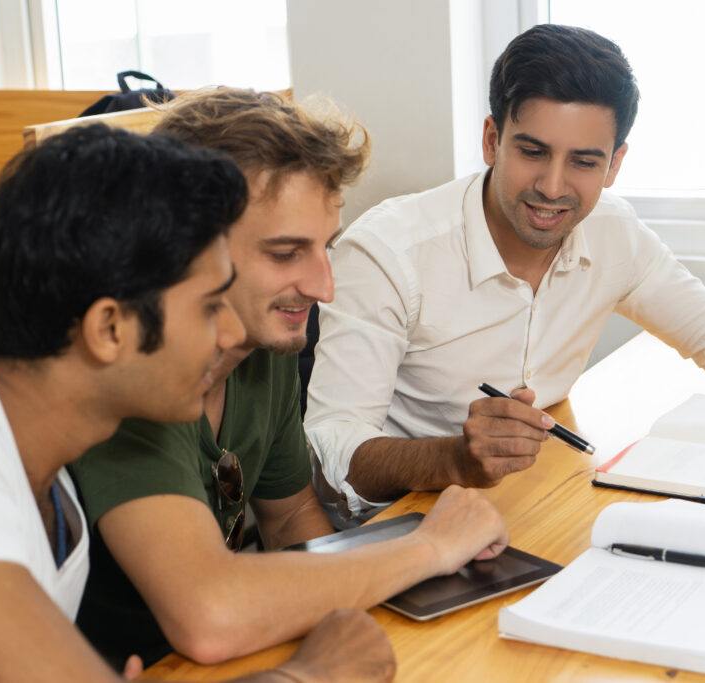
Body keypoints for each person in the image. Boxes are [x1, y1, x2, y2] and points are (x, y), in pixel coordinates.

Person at [0, 124, 395, 682]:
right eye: (208, 307)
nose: (228, 337)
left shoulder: (46, 480)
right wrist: (311, 676)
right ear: (110, 328)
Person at [304, 23, 705, 522]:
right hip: (401, 524)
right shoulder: (388, 252)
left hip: (529, 503)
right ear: (492, 141)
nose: (553, 187)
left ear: (614, 164)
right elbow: (329, 451)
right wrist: (454, 460)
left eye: (583, 161)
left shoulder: (611, 231)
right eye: (533, 152)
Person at [67, 88, 510, 670]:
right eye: (284, 254)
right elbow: (209, 616)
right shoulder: (133, 379)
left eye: (325, 248)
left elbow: (291, 519)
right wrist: (428, 548)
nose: (324, 287)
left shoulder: (263, 348)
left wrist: (370, 607)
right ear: (184, 247)